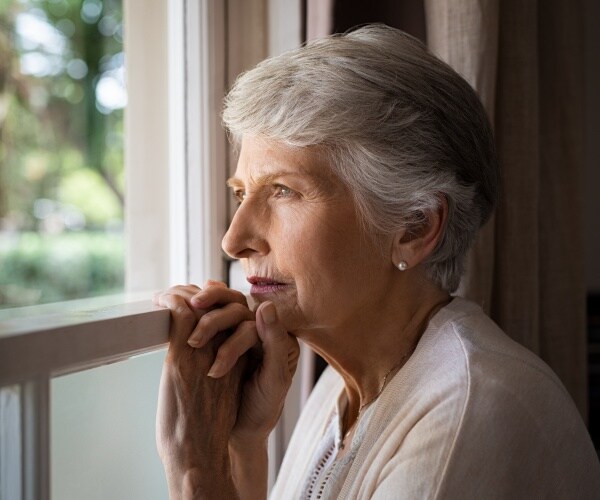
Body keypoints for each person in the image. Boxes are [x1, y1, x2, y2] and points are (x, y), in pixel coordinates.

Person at [153, 24, 600, 499]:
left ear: (414, 228)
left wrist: (196, 472)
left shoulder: (470, 409)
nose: (233, 240)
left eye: (284, 191)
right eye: (241, 194)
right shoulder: (340, 392)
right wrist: (242, 445)